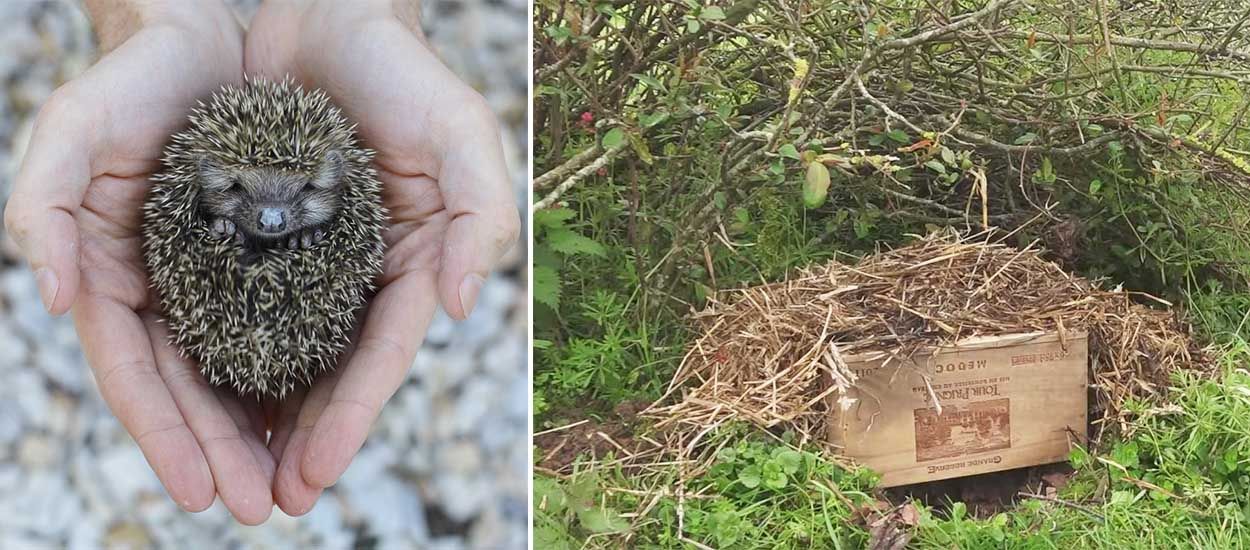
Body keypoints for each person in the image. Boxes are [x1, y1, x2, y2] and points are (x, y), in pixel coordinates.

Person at [2, 0, 519, 525]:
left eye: (295, 198)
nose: (271, 218)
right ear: (208, 179)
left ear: (332, 179)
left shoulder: (332, 191)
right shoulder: (202, 195)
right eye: (244, 194)